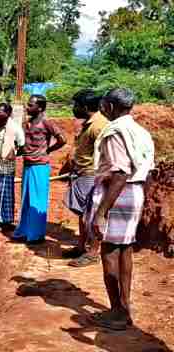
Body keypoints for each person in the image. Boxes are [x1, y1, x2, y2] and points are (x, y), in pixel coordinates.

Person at [86, 88, 154, 331]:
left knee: (109, 252)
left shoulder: (115, 132)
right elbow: (146, 172)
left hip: (117, 193)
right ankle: (124, 307)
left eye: (104, 105)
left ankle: (118, 312)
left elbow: (120, 172)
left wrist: (102, 212)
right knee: (124, 251)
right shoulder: (141, 131)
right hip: (134, 192)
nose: (102, 108)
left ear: (112, 106)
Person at [62, 89, 108, 267]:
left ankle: (92, 253)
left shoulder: (99, 126)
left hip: (91, 175)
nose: (74, 108)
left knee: (91, 214)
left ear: (86, 106)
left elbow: (106, 152)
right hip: (82, 174)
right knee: (82, 213)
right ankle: (81, 246)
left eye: (76, 105)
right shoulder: (90, 124)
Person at [13, 95, 66, 244]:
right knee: (26, 200)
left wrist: (48, 150)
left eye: (30, 105)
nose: (27, 107)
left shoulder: (46, 123)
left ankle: (36, 235)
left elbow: (62, 139)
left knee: (38, 201)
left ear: (40, 108)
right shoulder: (27, 123)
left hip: (40, 166)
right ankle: (24, 231)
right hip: (28, 165)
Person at [0, 102, 25, 231]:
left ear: (7, 114)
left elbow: (22, 145)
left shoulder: (14, 128)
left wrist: (12, 154)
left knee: (5, 193)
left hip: (7, 166)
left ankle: (6, 221)